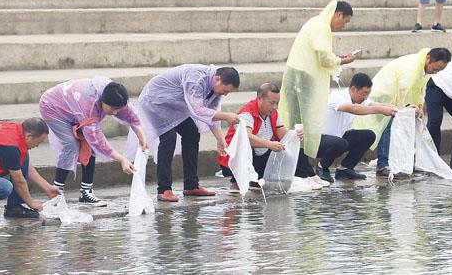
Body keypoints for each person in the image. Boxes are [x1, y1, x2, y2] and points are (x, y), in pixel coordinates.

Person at [133, 65, 240, 202]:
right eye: (225, 91)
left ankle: (191, 185)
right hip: (156, 101)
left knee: (192, 134)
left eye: (228, 93)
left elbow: (213, 115)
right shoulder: (196, 78)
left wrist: (220, 140)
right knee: (169, 137)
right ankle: (164, 189)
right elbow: (197, 110)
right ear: (217, 79)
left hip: (176, 106)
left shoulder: (216, 89)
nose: (224, 94)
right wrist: (226, 116)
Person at [279, 0, 355, 186]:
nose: (343, 26)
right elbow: (323, 58)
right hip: (303, 79)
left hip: (298, 77)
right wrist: (341, 61)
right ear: (339, 14)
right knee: (301, 123)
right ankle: (299, 167)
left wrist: (337, 58)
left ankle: (301, 166)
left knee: (300, 123)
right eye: (345, 22)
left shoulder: (315, 22)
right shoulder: (322, 27)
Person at [39, 77, 146, 206]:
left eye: (119, 108)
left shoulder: (115, 94)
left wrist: (141, 136)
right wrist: (121, 159)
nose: (116, 112)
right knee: (71, 145)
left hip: (73, 104)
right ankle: (56, 192)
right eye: (113, 108)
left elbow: (132, 115)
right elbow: (97, 140)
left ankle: (86, 192)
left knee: (89, 145)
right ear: (103, 101)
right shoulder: (89, 105)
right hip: (52, 106)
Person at [352, 48, 451, 176]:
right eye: (435, 69)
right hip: (385, 94)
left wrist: (420, 106)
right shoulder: (411, 67)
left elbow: (420, 89)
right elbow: (403, 91)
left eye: (439, 70)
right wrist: (407, 107)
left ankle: (400, 162)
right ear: (428, 59)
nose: (436, 72)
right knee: (387, 127)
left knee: (396, 126)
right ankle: (383, 164)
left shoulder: (425, 69)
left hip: (397, 96)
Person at [0, 118, 61, 222]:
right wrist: (31, 202)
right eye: (38, 142)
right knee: (4, 187)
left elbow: (22, 164)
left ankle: (14, 208)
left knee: (23, 156)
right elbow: (19, 181)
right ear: (29, 136)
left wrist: (47, 187)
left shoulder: (14, 130)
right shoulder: (9, 147)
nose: (37, 146)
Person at [217, 83, 304, 189]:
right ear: (260, 99)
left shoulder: (274, 113)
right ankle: (237, 182)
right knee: (246, 148)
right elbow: (246, 138)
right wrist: (269, 144)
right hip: (232, 158)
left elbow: (282, 134)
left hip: (261, 154)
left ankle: (255, 180)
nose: (275, 107)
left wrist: (294, 135)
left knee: (285, 152)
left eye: (277, 103)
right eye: (271, 103)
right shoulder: (247, 113)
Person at [318, 73, 397, 182]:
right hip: (321, 140)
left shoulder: (360, 99)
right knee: (341, 143)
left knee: (368, 136)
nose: (365, 98)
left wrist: (402, 109)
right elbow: (353, 109)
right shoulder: (337, 96)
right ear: (353, 89)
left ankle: (345, 169)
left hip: (339, 138)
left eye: (368, 94)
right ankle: (321, 167)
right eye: (364, 93)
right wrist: (380, 111)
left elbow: (377, 105)